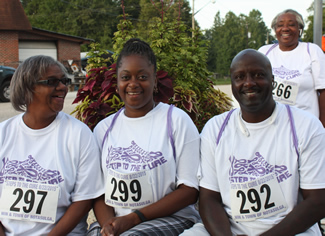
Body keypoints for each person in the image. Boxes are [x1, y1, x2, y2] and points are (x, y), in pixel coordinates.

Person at [181, 49, 325, 235]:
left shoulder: (306, 126)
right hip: (227, 228)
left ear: (273, 81)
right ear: (232, 84)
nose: (248, 82)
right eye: (240, 77)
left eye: (258, 75)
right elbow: (209, 198)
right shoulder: (215, 128)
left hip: (290, 230)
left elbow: (317, 201)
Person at [91, 38, 200, 236]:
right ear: (117, 82)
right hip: (117, 221)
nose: (133, 84)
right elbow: (98, 193)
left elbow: (190, 190)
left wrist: (133, 218)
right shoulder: (103, 129)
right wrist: (110, 226)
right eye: (126, 77)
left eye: (142, 76)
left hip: (172, 218)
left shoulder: (175, 120)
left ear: (155, 81)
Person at [0, 55, 104, 235]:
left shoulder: (78, 134)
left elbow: (84, 199)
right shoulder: (3, 133)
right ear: (28, 88)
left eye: (64, 80)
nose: (63, 87)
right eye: (52, 81)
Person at [258, 9, 325, 127]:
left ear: (300, 29)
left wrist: (322, 125)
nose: (285, 28)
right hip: (272, 125)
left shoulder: (311, 51)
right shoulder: (264, 52)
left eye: (291, 24)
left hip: (305, 126)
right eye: (280, 25)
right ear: (275, 30)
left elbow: (323, 90)